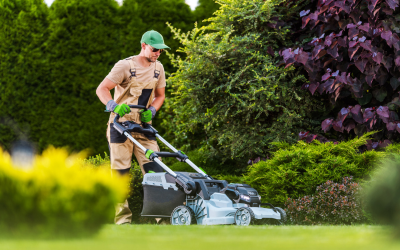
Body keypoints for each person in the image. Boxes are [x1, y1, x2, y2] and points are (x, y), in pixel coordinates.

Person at [96, 30, 169, 225]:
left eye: (160, 51)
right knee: (121, 174)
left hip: (144, 127)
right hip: (120, 126)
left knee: (156, 171)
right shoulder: (125, 66)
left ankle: (162, 219)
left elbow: (160, 95)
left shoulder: (158, 68)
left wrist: (152, 111)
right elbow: (102, 89)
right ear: (144, 45)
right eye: (155, 50)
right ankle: (123, 221)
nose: (157, 54)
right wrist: (113, 106)